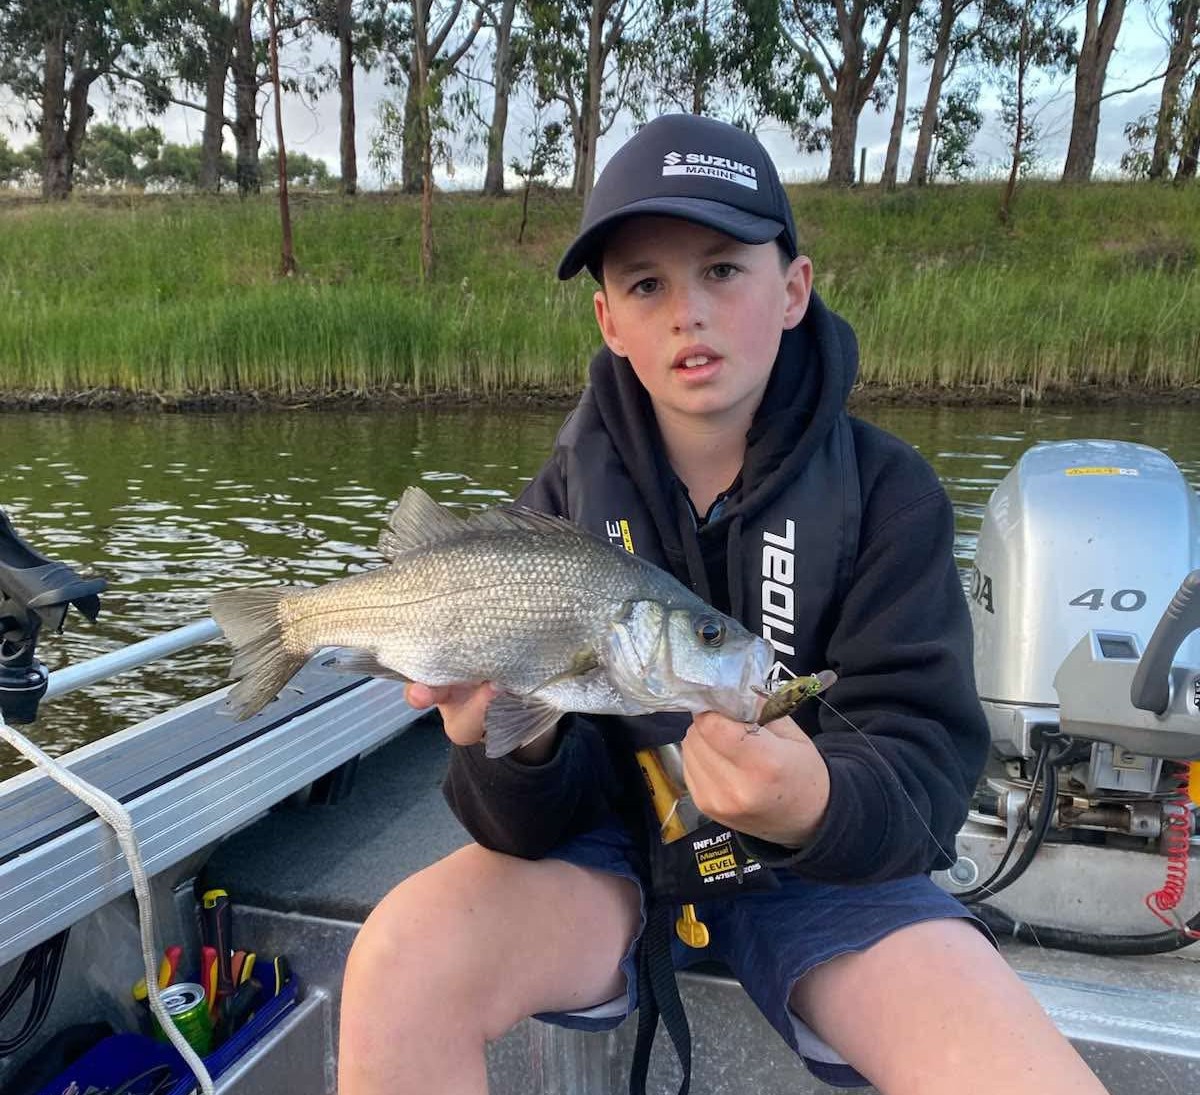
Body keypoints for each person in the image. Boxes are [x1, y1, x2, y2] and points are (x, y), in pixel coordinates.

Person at [338, 114, 1108, 1095]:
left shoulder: (891, 496)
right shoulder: (559, 511)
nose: (685, 312)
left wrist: (811, 798)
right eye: (646, 283)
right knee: (398, 961)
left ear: (794, 289)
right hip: (604, 858)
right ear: (608, 321)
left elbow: (924, 786)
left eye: (723, 271)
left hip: (824, 875)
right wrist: (510, 745)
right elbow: (522, 824)